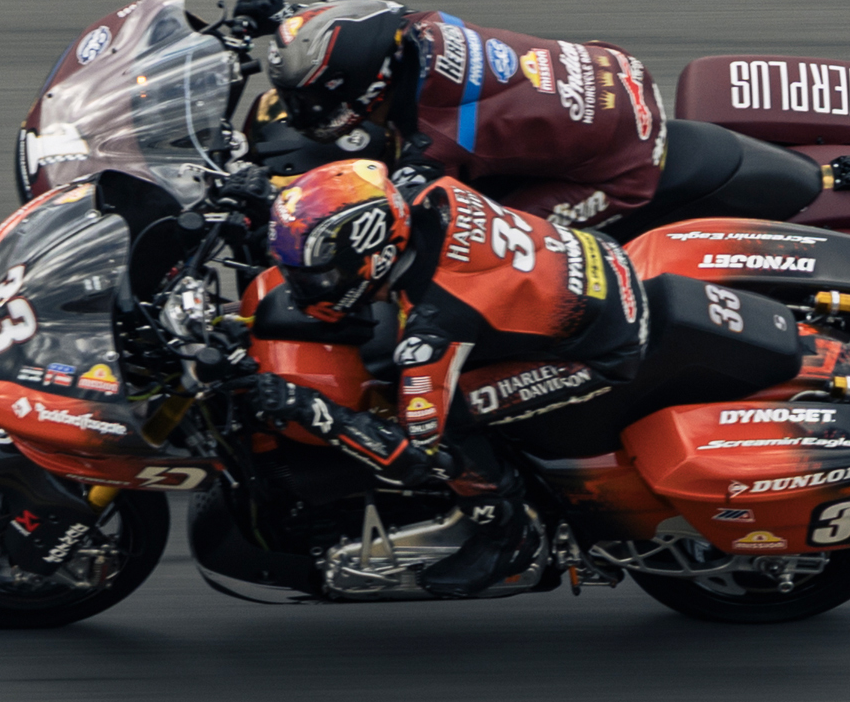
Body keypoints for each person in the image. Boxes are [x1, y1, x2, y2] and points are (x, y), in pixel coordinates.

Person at [245, 159, 649, 597]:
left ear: (374, 256)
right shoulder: (418, 190)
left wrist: (310, 408)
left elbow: (417, 459)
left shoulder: (434, 330)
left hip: (601, 349)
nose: (306, 288)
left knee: (449, 423)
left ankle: (509, 536)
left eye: (318, 276)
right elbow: (341, 201)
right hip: (598, 257)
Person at [227, 0, 667, 231]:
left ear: (360, 89)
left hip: (625, 167)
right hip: (614, 67)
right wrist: (282, 14)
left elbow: (384, 218)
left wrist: (272, 199)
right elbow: (345, 28)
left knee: (492, 240)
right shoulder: (415, 26)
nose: (297, 105)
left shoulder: (436, 144)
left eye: (308, 96)